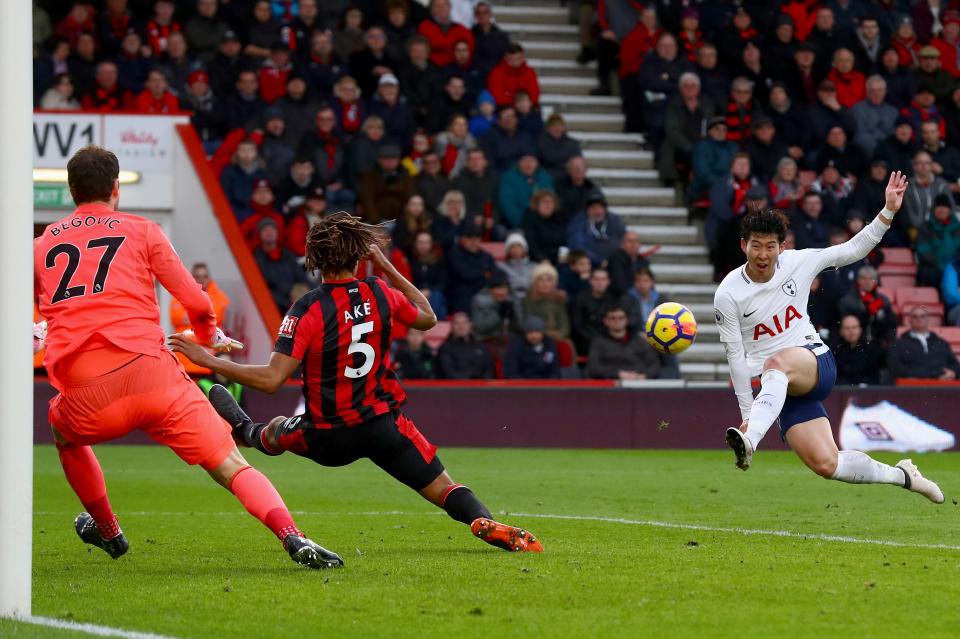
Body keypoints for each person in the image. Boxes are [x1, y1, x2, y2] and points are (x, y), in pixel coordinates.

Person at [34, 146, 338, 570]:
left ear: (70, 191)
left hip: (87, 392)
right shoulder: (142, 231)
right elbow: (195, 301)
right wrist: (210, 336)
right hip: (152, 375)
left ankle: (109, 531)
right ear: (116, 188)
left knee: (63, 433)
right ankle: (292, 535)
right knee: (230, 463)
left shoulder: (42, 244)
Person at [171, 214, 540, 552]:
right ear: (359, 254)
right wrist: (386, 267)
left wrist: (207, 359)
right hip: (382, 427)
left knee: (278, 429)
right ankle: (480, 518)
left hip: (328, 434)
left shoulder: (308, 308)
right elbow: (428, 317)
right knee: (444, 487)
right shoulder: (380, 291)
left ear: (314, 257)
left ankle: (245, 430)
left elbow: (271, 380)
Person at [715, 174, 944, 504]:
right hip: (779, 389)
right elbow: (735, 357)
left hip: (814, 361)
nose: (763, 254)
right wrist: (747, 410)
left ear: (782, 247)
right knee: (827, 464)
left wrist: (888, 212)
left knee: (776, 362)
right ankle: (904, 475)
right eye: (755, 245)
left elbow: (853, 249)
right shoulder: (728, 294)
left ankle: (751, 441)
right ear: (743, 246)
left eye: (770, 246)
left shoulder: (798, 262)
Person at [586, 306, 661, 380]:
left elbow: (654, 365)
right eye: (612, 318)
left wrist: (643, 376)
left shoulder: (640, 340)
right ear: (605, 321)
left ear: (626, 320)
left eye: (621, 318)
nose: (617, 321)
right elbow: (594, 368)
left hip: (641, 383)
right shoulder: (598, 342)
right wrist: (617, 374)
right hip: (612, 385)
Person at [888, 308, 960, 381]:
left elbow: (955, 365)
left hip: (942, 385)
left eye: (923, 316)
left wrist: (953, 373)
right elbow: (894, 366)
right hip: (911, 387)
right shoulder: (899, 344)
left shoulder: (941, 343)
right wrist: (914, 375)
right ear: (909, 320)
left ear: (928, 319)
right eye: (915, 316)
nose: (919, 319)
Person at [916, 194, 960, 286]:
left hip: (955, 268)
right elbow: (923, 250)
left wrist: (952, 266)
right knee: (926, 273)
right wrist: (940, 265)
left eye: (944, 206)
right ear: (934, 210)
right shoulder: (926, 228)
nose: (941, 209)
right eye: (938, 206)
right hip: (934, 269)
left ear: (949, 210)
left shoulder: (958, 228)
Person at [833, 315, 886, 385]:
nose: (851, 331)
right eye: (847, 328)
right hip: (842, 391)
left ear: (860, 329)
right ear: (841, 331)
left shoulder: (870, 351)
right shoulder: (834, 352)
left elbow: (874, 377)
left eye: (854, 327)